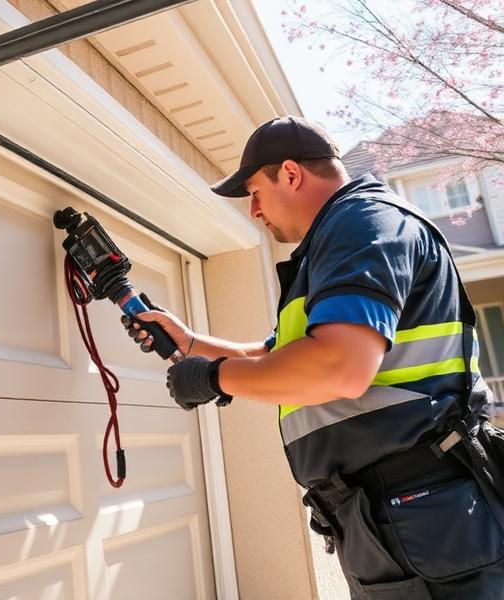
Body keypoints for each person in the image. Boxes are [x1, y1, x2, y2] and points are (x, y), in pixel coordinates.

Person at [123, 116, 504, 598]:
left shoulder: (362, 223)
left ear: (290, 174)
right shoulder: (338, 239)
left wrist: (215, 378)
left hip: (426, 513)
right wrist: (190, 342)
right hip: (398, 514)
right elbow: (276, 356)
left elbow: (339, 367)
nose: (253, 211)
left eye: (254, 193)